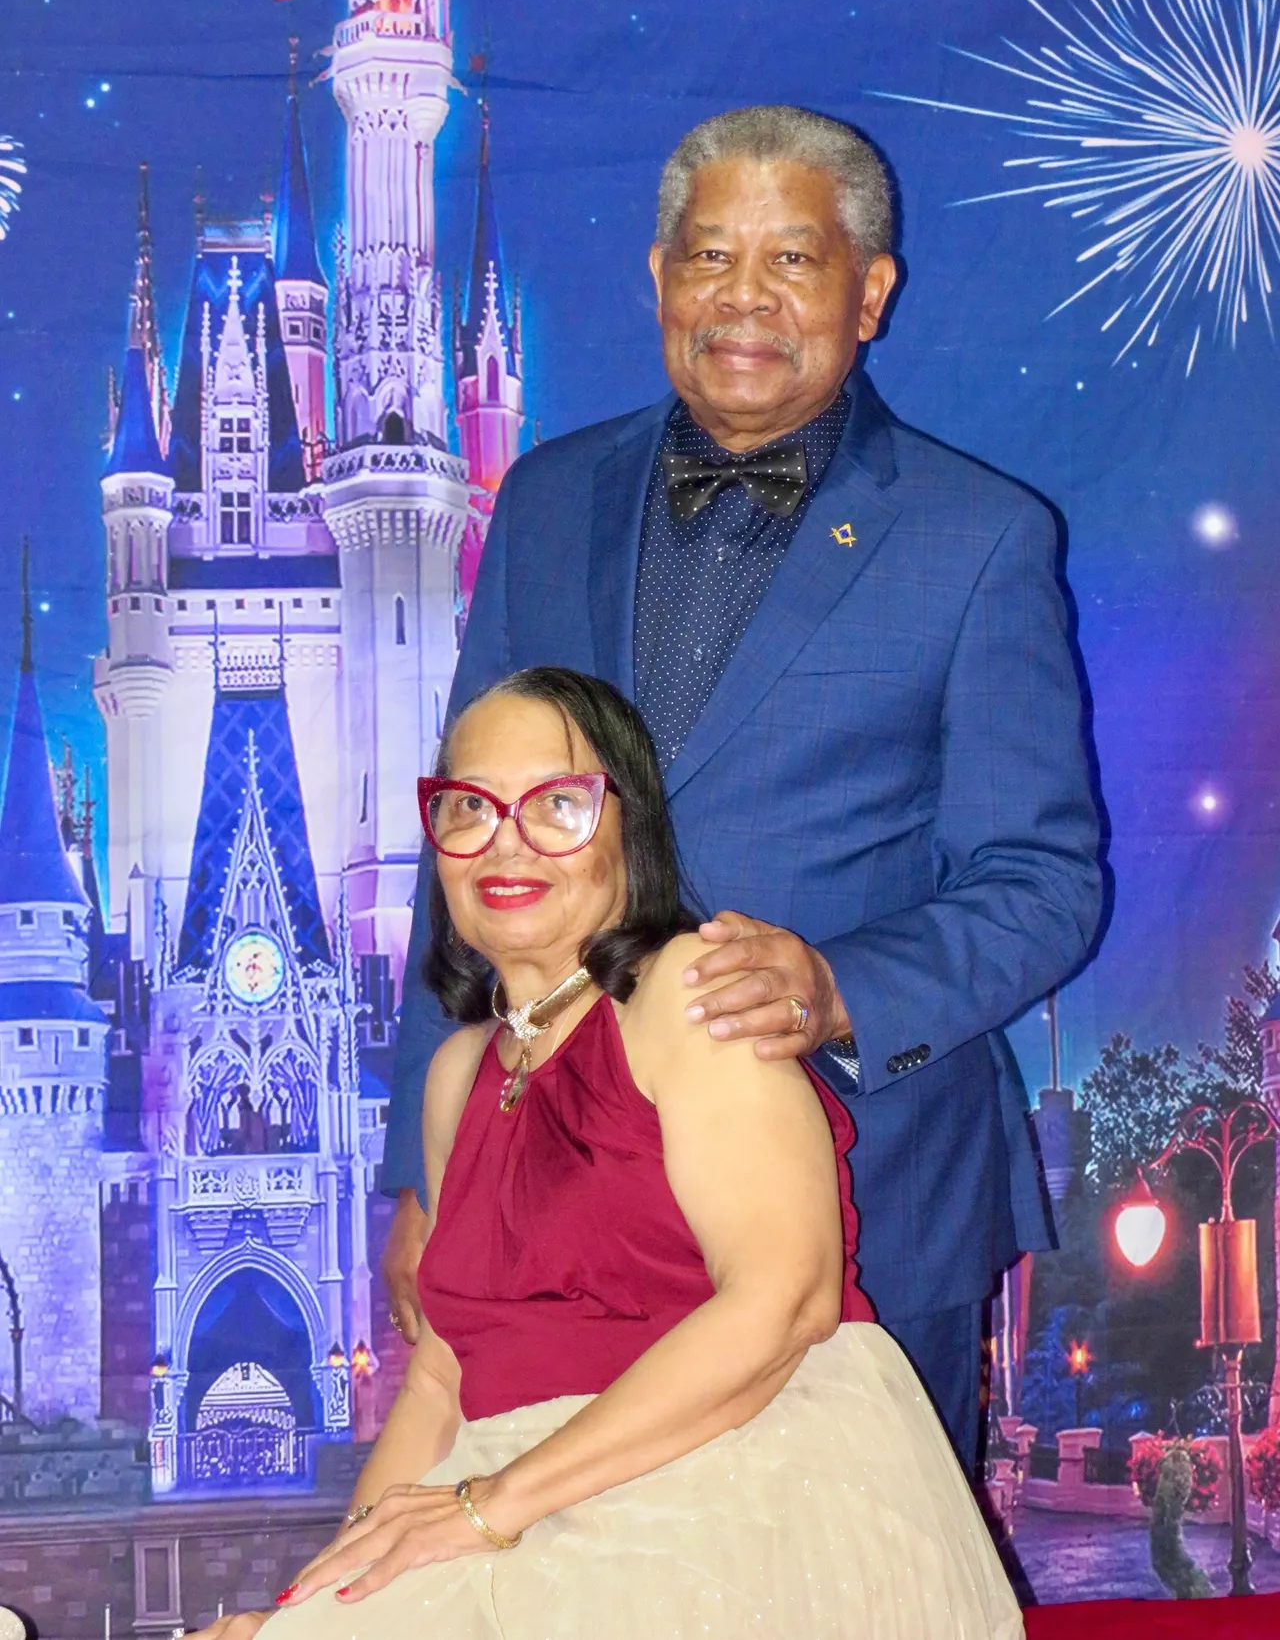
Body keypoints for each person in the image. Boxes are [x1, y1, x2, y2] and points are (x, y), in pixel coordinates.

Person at [381, 104, 1104, 1468]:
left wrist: (843, 986)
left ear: (871, 290)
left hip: (869, 1204)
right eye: (711, 257)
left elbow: (1044, 882)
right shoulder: (539, 500)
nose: (744, 299)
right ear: (658, 278)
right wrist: (424, 1169)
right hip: (552, 1221)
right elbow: (463, 846)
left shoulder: (981, 536)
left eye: (792, 259)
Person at [193, 668, 1023, 1639]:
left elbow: (782, 1300)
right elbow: (439, 1381)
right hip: (513, 1497)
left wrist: (490, 1506)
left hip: (720, 1479)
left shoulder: (684, 992)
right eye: (470, 807)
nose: (505, 841)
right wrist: (323, 1595)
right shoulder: (457, 1074)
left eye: (556, 805)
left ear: (628, 832)